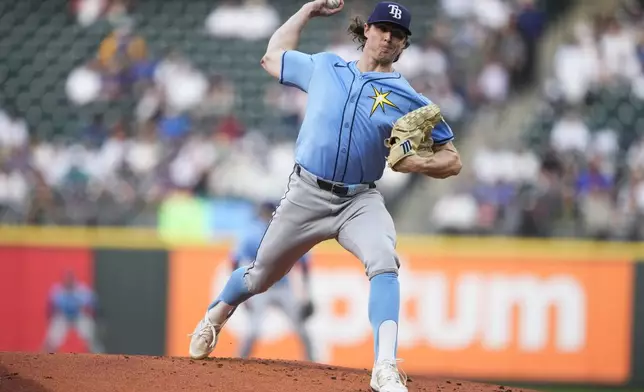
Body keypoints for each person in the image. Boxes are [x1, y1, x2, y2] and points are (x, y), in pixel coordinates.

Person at [189, 1, 462, 391]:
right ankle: (215, 317)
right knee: (260, 275)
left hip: (359, 200)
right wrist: (305, 12)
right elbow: (272, 57)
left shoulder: (407, 97)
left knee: (384, 260)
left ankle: (385, 367)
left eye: (397, 34)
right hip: (306, 193)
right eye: (382, 28)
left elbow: (452, 159)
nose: (388, 37)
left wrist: (418, 164)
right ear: (366, 30)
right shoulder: (326, 67)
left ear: (403, 45)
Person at [233, 202, 315, 361]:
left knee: (302, 329)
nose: (267, 217)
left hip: (283, 288)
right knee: (253, 330)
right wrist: (240, 292)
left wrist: (307, 294)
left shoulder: (286, 233)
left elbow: (304, 263)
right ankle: (238, 362)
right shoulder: (254, 233)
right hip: (259, 288)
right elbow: (235, 260)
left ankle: (314, 364)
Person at [42, 271, 104, 353]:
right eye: (66, 279)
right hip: (63, 317)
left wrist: (93, 315)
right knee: (52, 340)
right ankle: (45, 358)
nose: (68, 281)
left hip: (79, 316)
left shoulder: (82, 289)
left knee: (91, 338)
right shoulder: (57, 290)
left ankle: (100, 358)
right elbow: (50, 306)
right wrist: (50, 317)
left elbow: (93, 303)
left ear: (74, 280)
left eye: (70, 279)